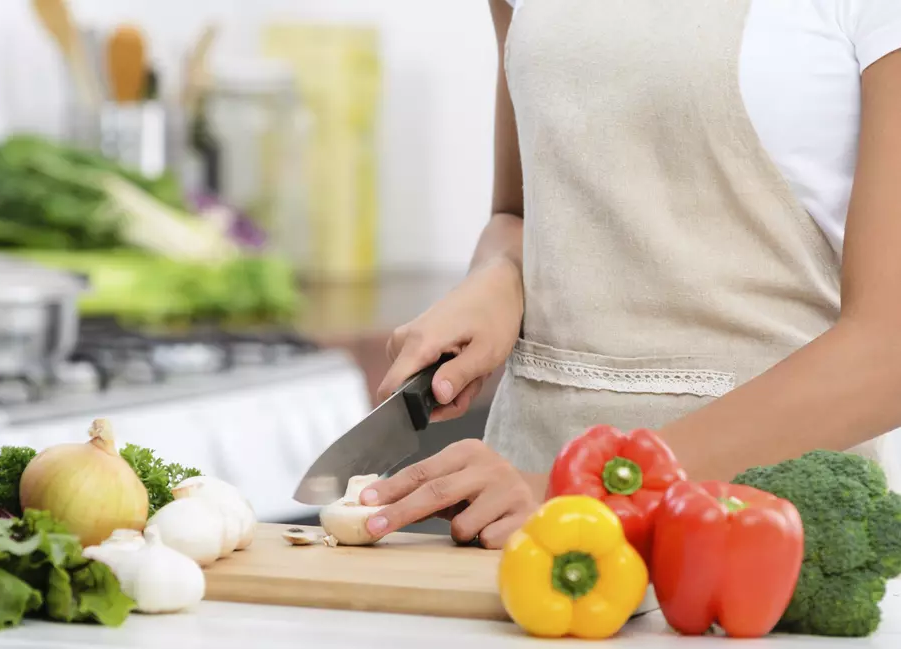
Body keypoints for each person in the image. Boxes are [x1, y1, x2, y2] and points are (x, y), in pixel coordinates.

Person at [357, 0, 901, 549]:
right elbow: (521, 214)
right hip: (523, 529)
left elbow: (889, 350)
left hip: (756, 541)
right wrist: (498, 277)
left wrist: (583, 495)